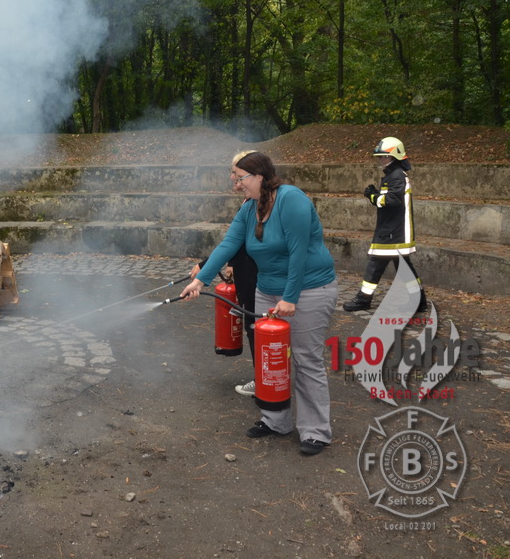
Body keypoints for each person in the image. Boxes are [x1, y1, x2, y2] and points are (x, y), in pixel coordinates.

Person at [180, 151, 338, 455]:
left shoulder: (292, 200)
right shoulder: (250, 208)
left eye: (240, 178)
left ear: (259, 177)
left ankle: (316, 431)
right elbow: (229, 243)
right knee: (270, 358)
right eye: (234, 178)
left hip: (309, 289)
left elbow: (299, 253)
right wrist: (201, 280)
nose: (236, 184)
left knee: (306, 360)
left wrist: (291, 297)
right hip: (267, 289)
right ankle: (276, 420)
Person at [190, 151, 259, 397]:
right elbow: (235, 241)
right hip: (245, 270)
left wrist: (205, 267)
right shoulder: (249, 202)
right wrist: (227, 264)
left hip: (254, 276)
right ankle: (264, 377)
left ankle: (264, 380)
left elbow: (239, 242)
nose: (235, 183)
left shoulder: (261, 202)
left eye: (238, 177)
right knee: (254, 327)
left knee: (256, 327)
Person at [342, 137, 426, 312]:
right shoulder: (394, 175)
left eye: (384, 156)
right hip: (393, 229)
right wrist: (377, 195)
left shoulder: (396, 176)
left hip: (392, 232)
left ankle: (363, 299)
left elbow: (392, 201)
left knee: (375, 263)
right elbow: (391, 200)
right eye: (379, 157)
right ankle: (419, 301)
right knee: (404, 267)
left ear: (395, 156)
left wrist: (373, 196)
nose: (380, 160)